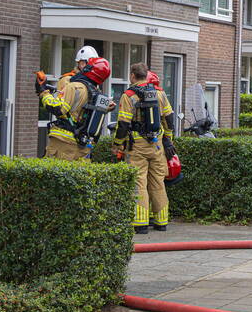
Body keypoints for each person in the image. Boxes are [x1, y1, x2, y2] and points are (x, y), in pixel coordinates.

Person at [114, 63, 176, 234]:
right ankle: (161, 222)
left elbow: (123, 125)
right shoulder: (160, 93)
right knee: (158, 183)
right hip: (157, 145)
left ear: (133, 75)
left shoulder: (129, 95)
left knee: (139, 182)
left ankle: (140, 224)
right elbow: (169, 120)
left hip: (137, 146)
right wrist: (168, 140)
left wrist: (117, 144)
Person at [36, 55, 111, 161]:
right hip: (83, 145)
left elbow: (58, 109)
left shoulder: (75, 87)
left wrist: (43, 91)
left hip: (63, 143)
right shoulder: (98, 95)